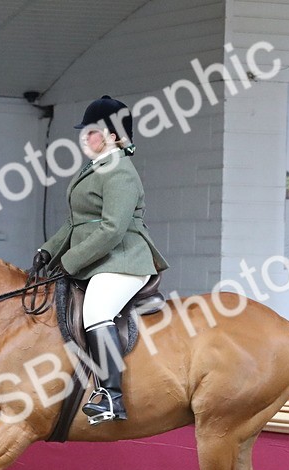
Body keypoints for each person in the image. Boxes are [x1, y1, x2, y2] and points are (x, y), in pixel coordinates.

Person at [32, 95, 169, 425]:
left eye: (91, 131)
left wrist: (71, 261)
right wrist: (48, 251)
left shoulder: (120, 171)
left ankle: (111, 396)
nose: (83, 136)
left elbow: (111, 229)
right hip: (98, 260)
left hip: (123, 259)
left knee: (96, 310)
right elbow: (74, 222)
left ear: (112, 135)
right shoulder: (95, 168)